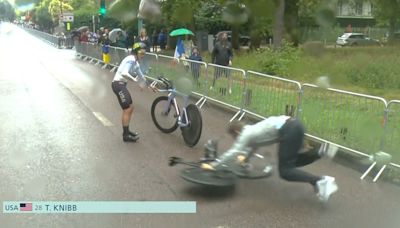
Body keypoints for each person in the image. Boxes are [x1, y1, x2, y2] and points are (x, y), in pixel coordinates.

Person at [201, 116, 339, 202]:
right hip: (295, 124)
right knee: (291, 162)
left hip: (288, 130)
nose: (235, 139)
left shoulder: (245, 134)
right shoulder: (252, 131)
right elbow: (251, 148)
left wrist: (215, 165)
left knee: (285, 171)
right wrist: (245, 161)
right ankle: (319, 152)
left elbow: (233, 152)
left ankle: (321, 181)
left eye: (233, 137)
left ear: (236, 132)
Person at [111, 42, 154, 142]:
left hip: (122, 85)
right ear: (136, 52)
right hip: (118, 84)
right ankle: (126, 135)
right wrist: (135, 81)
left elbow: (141, 76)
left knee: (130, 107)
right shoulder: (131, 59)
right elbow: (124, 73)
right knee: (127, 109)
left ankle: (127, 131)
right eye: (141, 53)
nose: (143, 56)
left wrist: (149, 85)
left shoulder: (136, 62)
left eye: (144, 54)